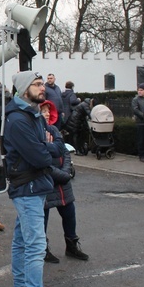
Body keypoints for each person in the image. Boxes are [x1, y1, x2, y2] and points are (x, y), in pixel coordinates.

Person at [5, 71, 67, 287]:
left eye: (43, 84)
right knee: (35, 247)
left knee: (22, 240)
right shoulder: (19, 119)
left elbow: (52, 145)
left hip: (34, 185)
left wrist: (49, 146)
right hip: (28, 187)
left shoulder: (32, 114)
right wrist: (50, 147)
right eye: (37, 84)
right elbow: (42, 156)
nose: (43, 88)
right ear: (23, 89)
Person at [38, 100, 88, 262]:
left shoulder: (54, 130)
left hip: (62, 182)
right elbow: (42, 161)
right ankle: (43, 249)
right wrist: (61, 174)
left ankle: (72, 246)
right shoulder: (35, 133)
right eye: (42, 111)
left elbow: (65, 152)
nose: (46, 114)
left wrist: (66, 171)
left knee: (69, 214)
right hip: (47, 183)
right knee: (42, 218)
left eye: (47, 111)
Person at [131, 83, 144, 162]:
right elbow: (135, 110)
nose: (139, 92)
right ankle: (141, 155)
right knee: (141, 140)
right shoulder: (135, 99)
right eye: (138, 90)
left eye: (141, 90)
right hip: (141, 122)